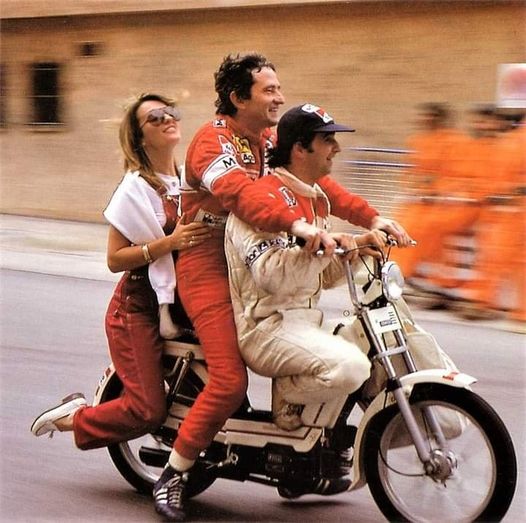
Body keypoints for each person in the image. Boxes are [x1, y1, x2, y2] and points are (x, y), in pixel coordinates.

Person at [151, 52, 411, 522]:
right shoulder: (211, 143)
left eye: (279, 88)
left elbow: (318, 187)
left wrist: (372, 217)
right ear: (237, 97)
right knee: (230, 379)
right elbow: (242, 196)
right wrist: (298, 226)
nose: (280, 97)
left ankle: (299, 455)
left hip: (259, 248)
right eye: (269, 90)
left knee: (339, 340)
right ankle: (175, 471)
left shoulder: (269, 138)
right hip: (206, 258)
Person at [30, 93, 210, 466]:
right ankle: (74, 418)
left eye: (170, 113)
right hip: (136, 309)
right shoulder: (135, 189)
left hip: (182, 301)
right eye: (155, 118)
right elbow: (114, 259)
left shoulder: (184, 179)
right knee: (148, 410)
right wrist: (168, 243)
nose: (167, 120)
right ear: (140, 137)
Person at [224, 103, 389, 494]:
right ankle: (287, 403)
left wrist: (357, 249)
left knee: (378, 351)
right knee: (350, 368)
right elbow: (271, 277)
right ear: (300, 148)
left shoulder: (313, 199)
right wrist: (324, 250)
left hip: (304, 323)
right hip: (265, 328)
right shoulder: (260, 202)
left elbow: (317, 276)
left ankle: (322, 445)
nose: (336, 148)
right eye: (327, 139)